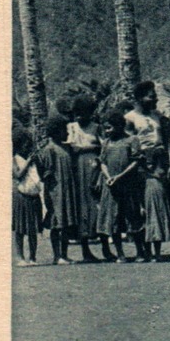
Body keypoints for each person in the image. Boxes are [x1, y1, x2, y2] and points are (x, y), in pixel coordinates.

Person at [97, 110, 143, 262]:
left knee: (133, 217)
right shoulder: (106, 142)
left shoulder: (132, 140)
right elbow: (102, 162)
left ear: (119, 126)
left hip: (128, 186)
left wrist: (120, 176)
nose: (107, 131)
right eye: (105, 128)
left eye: (110, 127)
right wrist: (109, 177)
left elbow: (136, 161)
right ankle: (120, 254)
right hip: (111, 187)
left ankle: (140, 252)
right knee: (113, 219)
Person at [36, 115, 79, 265]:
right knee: (57, 222)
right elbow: (45, 175)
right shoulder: (49, 150)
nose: (67, 133)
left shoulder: (67, 148)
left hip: (68, 190)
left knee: (66, 223)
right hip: (56, 192)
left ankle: (64, 254)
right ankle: (57, 255)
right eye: (64, 130)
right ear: (55, 131)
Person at [67, 93, 102, 262]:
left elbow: (103, 146)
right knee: (82, 207)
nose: (80, 116)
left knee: (98, 204)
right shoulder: (71, 127)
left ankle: (106, 247)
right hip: (78, 169)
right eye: (77, 113)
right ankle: (85, 249)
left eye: (84, 113)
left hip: (94, 166)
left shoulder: (96, 127)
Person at [12, 126, 43, 266]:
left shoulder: (33, 159)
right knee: (19, 229)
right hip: (21, 196)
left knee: (32, 229)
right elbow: (17, 175)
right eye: (25, 144)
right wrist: (28, 162)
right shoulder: (15, 159)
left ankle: (33, 257)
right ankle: (20, 257)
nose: (27, 147)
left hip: (33, 196)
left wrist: (36, 160)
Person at [143, 145, 170, 261]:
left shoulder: (159, 171)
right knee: (148, 224)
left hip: (157, 195)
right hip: (149, 196)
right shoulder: (144, 175)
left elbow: (160, 174)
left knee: (157, 223)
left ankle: (156, 253)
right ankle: (149, 252)